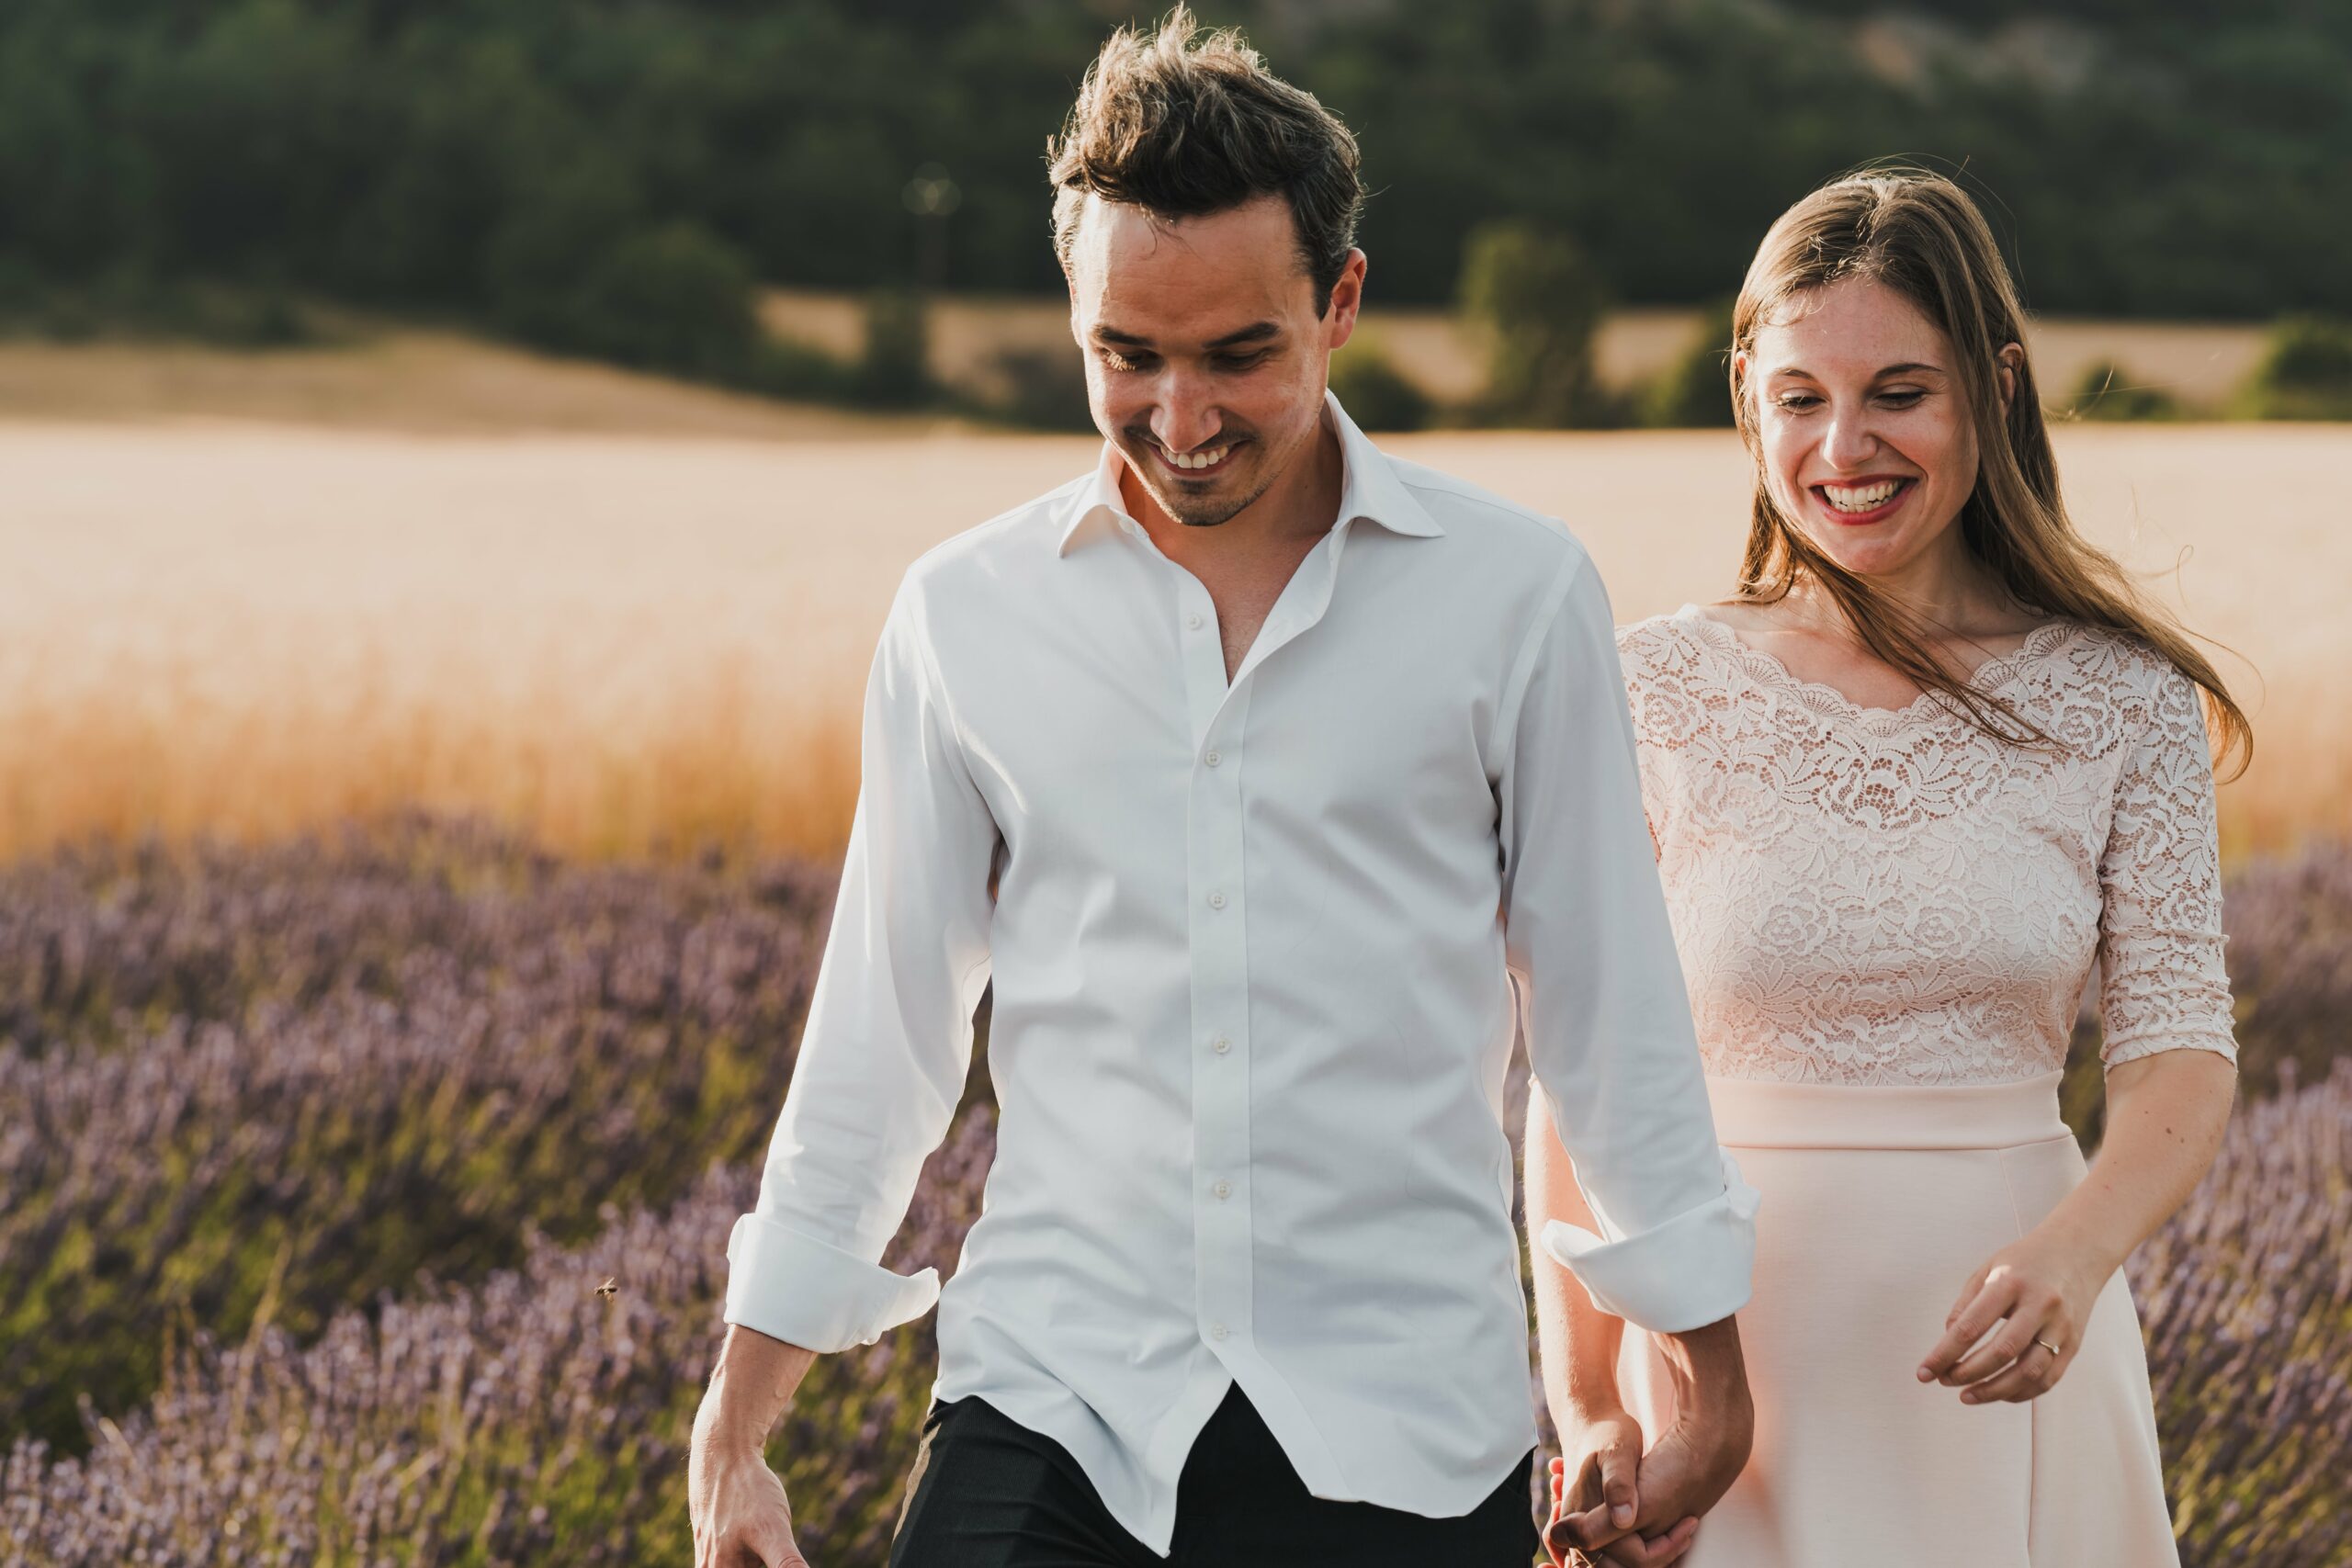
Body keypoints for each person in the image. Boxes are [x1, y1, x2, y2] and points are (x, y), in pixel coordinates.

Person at [688, 9, 1760, 1567]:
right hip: (1052, 1400)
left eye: (1239, 356)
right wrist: (738, 1422)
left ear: (1338, 304)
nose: (1179, 421)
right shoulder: (963, 615)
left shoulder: (1517, 598)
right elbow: (881, 1033)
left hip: (1402, 1418)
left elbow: (1607, 1009)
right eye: (1127, 357)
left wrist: (1701, 1375)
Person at [1528, 167, 2248, 1568]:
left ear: (1997, 387)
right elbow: (1577, 1075)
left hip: (2008, 1362)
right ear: (1748, 398)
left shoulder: (2123, 701)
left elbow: (2181, 1051)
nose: (1844, 445)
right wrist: (1596, 1403)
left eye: (1899, 393)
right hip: (1720, 1383)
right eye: (1800, 396)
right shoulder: (1653, 691)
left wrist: (2077, 1254)